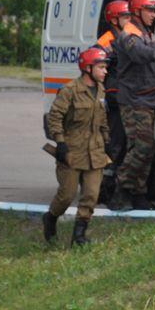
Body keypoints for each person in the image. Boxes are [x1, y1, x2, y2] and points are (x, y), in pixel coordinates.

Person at [108, 0, 155, 211]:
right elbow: (139, 54)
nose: (154, 15)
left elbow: (154, 68)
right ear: (137, 11)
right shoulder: (129, 34)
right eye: (150, 10)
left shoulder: (147, 33)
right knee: (141, 148)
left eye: (154, 10)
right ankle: (121, 190)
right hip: (134, 100)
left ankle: (138, 195)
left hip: (149, 98)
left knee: (146, 149)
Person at [42, 47, 110, 247]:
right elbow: (54, 117)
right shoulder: (70, 90)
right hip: (72, 152)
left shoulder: (101, 90)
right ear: (88, 68)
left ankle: (79, 236)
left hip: (95, 152)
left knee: (91, 196)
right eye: (101, 67)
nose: (105, 71)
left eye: (105, 67)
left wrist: (107, 140)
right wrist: (60, 142)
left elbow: (103, 119)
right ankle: (51, 217)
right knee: (67, 195)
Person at [93, 0, 131, 204]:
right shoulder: (106, 41)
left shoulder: (127, 36)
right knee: (115, 146)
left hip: (125, 98)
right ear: (114, 19)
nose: (129, 20)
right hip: (113, 100)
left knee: (124, 146)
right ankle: (104, 191)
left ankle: (114, 189)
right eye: (125, 16)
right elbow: (94, 63)